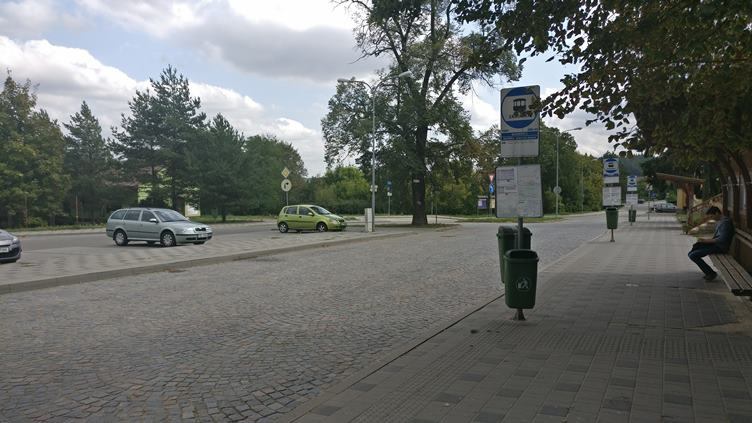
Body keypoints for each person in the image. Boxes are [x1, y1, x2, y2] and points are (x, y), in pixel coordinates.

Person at [688, 206, 734, 280]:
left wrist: (705, 241)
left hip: (720, 247)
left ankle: (711, 273)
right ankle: (709, 273)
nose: (711, 218)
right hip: (716, 245)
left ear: (717, 213)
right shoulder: (721, 221)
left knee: (693, 255)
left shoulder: (725, 223)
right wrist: (705, 240)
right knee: (691, 253)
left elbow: (722, 239)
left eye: (712, 216)